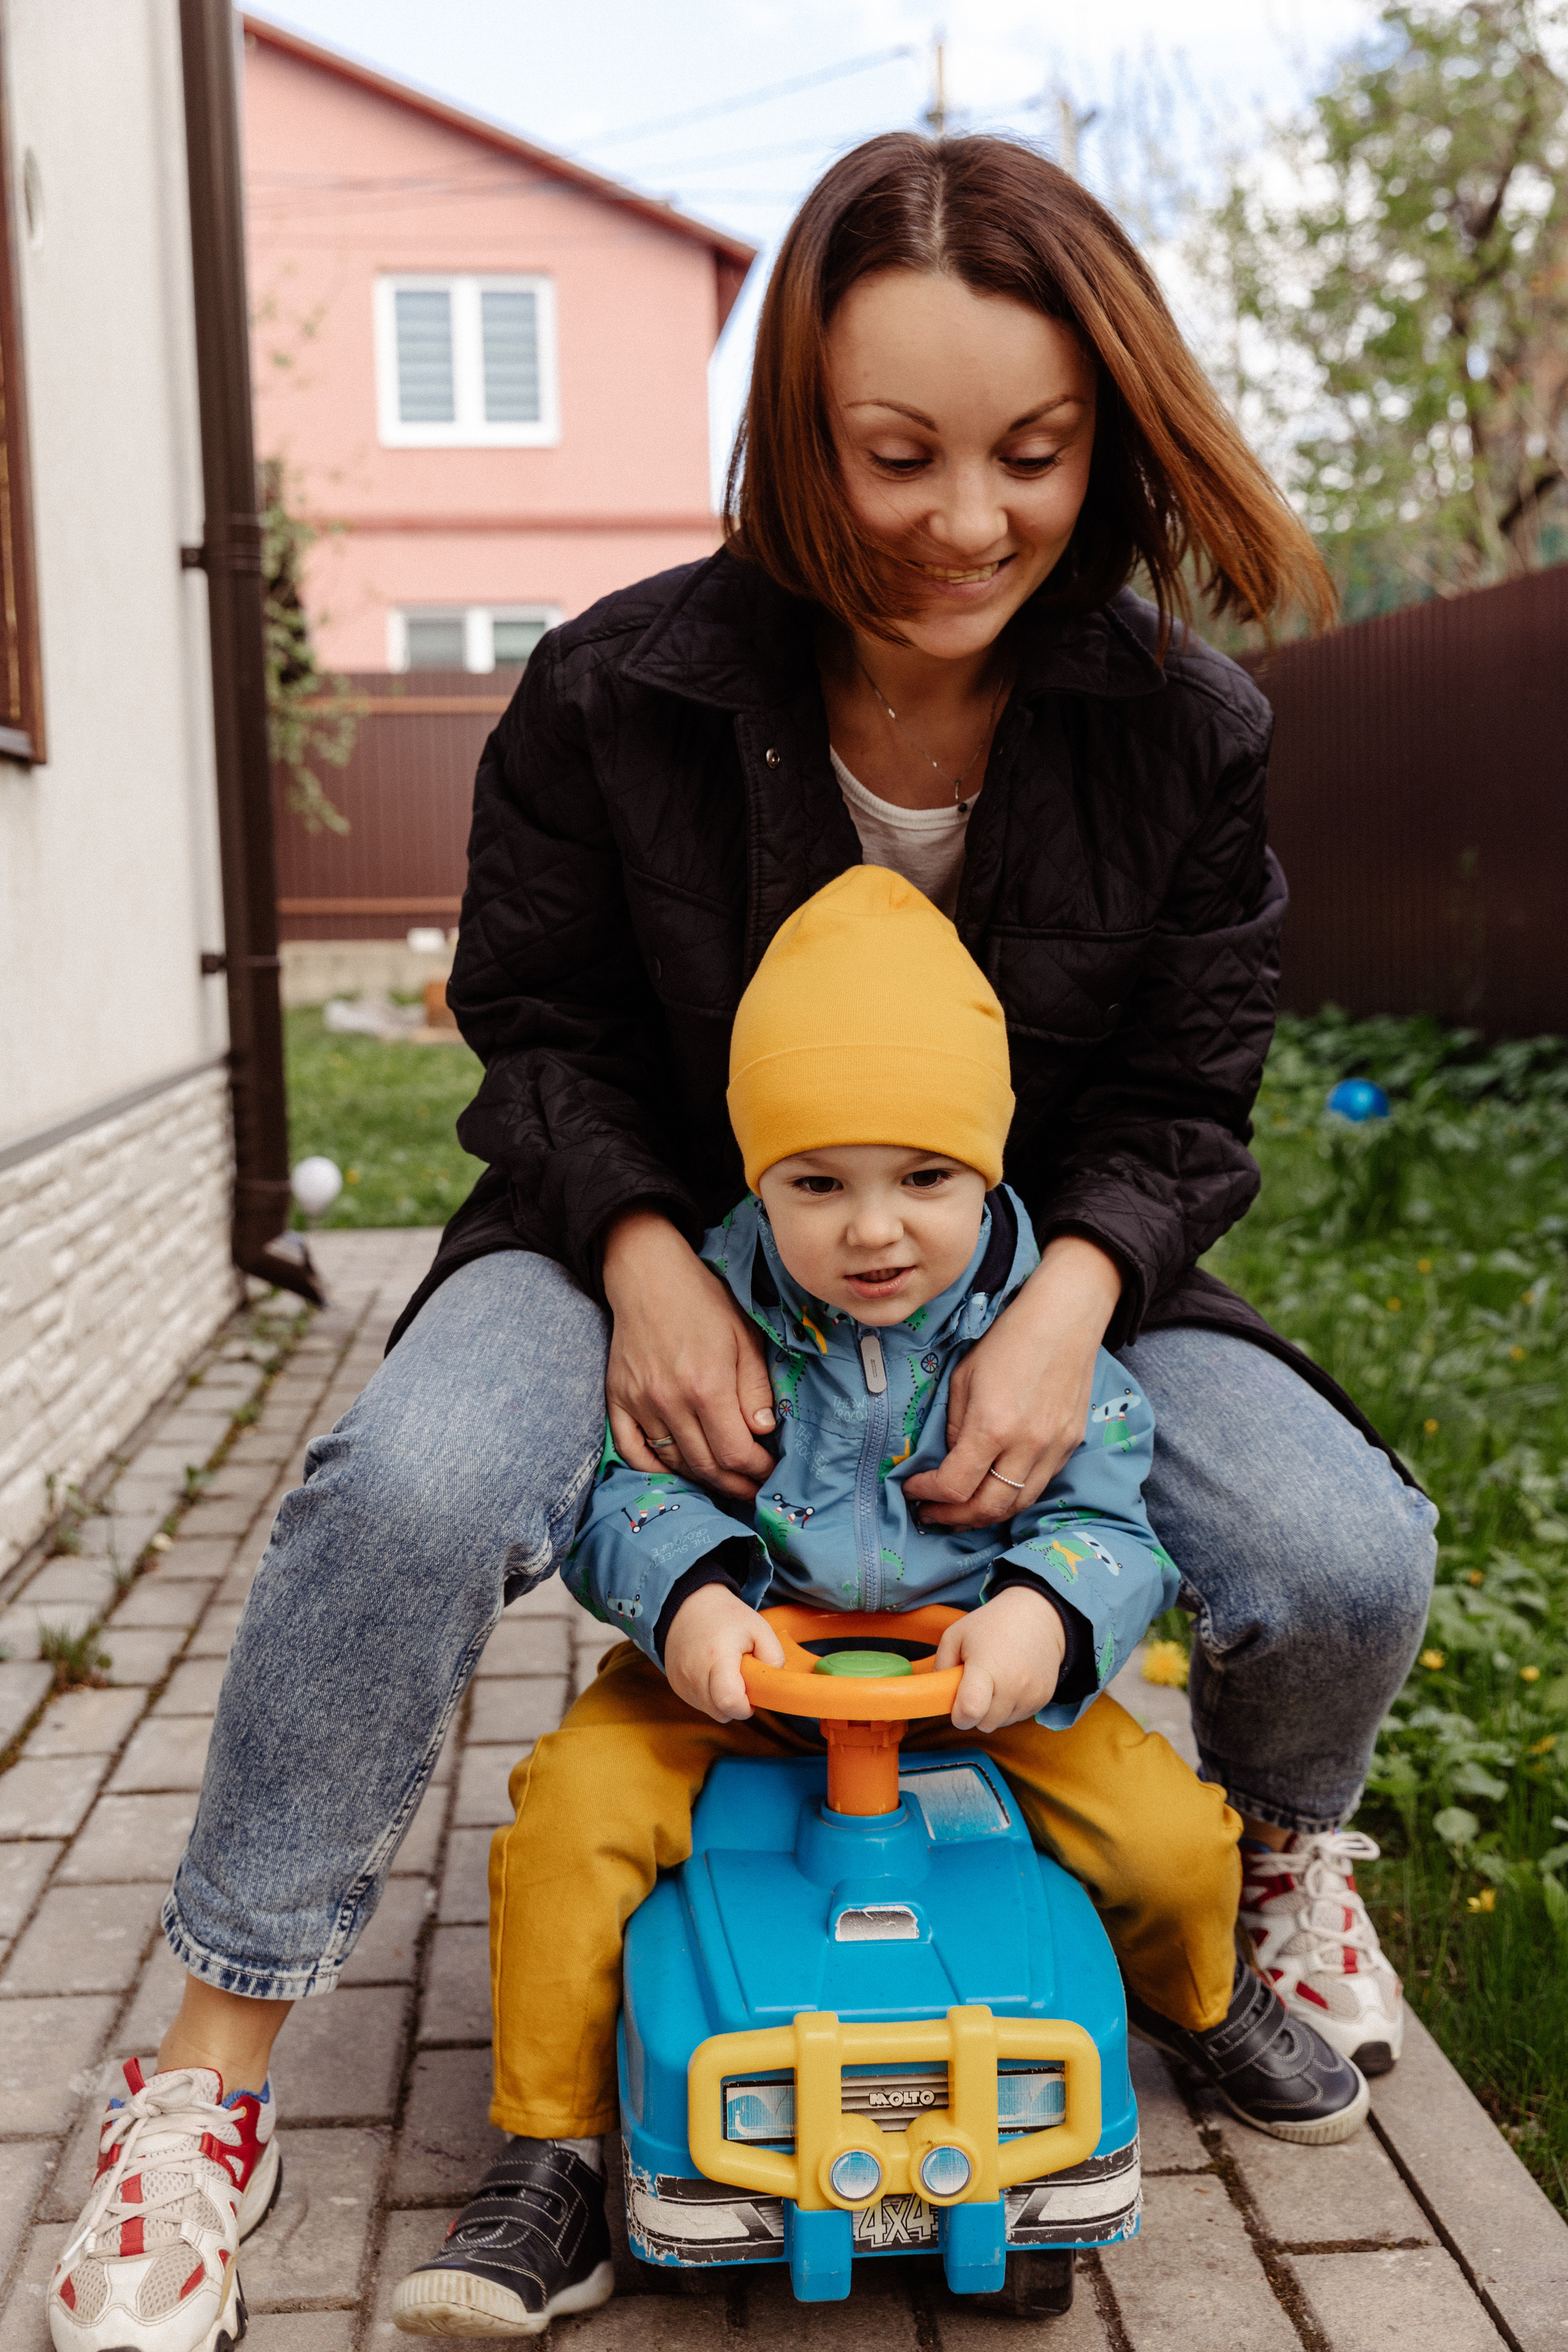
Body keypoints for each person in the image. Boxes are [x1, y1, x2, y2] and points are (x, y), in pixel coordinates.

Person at [48, 131, 1437, 2352]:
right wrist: (642, 1253)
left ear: (1110, 439)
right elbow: (528, 1030)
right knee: (404, 1484)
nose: (967, 521)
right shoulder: (618, 693)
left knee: (1344, 1547)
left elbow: (1187, 1099)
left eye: (1035, 454)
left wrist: (1069, 1301)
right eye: (898, 454)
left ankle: (1266, 1875)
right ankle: (204, 2086)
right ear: (801, 430)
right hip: (622, 1233)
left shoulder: (1189, 732)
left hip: (1041, 1264)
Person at [392, 865, 1371, 2337]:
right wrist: (692, 1600)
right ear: (755, 1175)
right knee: (563, 1826)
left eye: (923, 1177)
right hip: (731, 1696)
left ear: (988, 1170)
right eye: (815, 1183)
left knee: (1174, 1841)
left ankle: (1206, 1995)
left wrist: (1044, 1615)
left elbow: (1112, 1514)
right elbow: (621, 1487)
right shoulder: (713, 1313)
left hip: (978, 1700)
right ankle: (548, 2155)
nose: (871, 1232)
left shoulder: (1035, 1331)